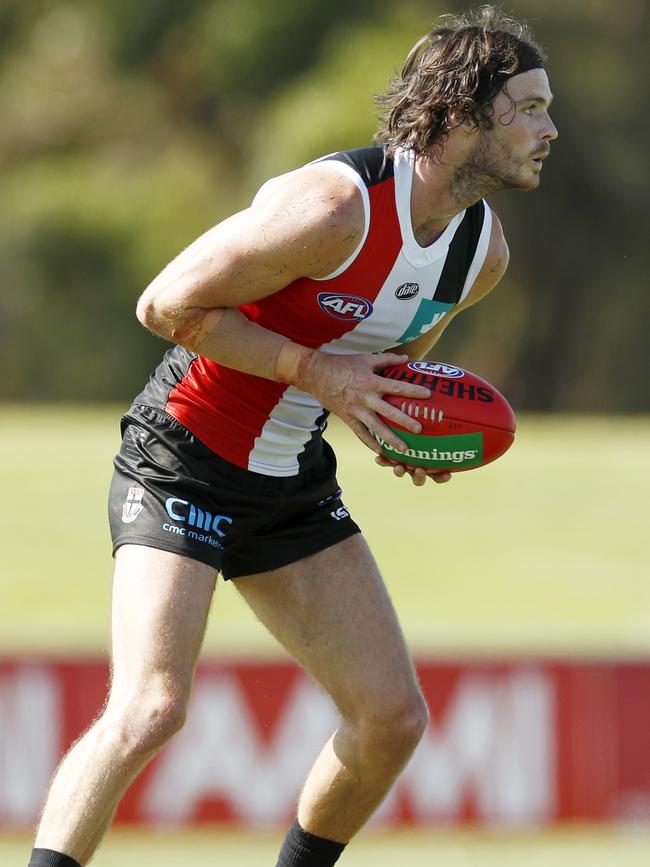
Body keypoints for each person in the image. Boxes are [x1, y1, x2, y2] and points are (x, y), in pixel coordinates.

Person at [28, 6, 557, 867]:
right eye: (529, 108)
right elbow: (164, 304)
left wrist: (399, 430)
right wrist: (320, 375)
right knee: (150, 708)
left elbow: (384, 374)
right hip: (183, 459)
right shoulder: (330, 210)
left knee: (392, 717)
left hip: (289, 478)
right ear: (462, 116)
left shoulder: (480, 255)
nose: (549, 128)